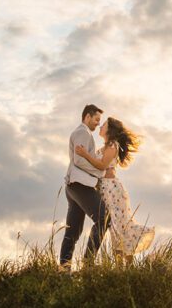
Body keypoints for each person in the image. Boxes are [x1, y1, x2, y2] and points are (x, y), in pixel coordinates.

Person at [75, 116, 155, 259]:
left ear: (109, 129)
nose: (100, 126)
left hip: (113, 190)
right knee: (114, 228)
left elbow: (101, 166)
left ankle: (126, 266)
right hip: (105, 190)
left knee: (119, 226)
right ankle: (123, 269)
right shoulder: (103, 148)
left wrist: (85, 154)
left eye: (103, 124)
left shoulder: (112, 145)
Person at [59, 104, 110, 268]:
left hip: (74, 186)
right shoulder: (82, 132)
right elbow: (79, 160)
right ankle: (88, 263)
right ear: (87, 117)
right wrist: (99, 172)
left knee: (73, 230)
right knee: (104, 218)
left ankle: (63, 269)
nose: (97, 123)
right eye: (96, 119)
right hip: (80, 185)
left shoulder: (83, 133)